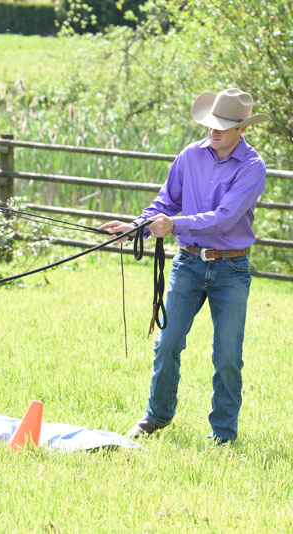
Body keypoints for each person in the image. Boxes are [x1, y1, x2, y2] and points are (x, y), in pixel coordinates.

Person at [101, 88, 271, 445]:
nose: (214, 130)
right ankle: (156, 417)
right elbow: (165, 202)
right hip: (189, 262)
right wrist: (136, 225)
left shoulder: (253, 168)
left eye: (223, 125)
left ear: (242, 128)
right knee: (167, 342)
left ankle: (223, 435)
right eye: (211, 123)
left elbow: (224, 219)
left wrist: (174, 225)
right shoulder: (189, 157)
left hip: (231, 270)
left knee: (227, 355)